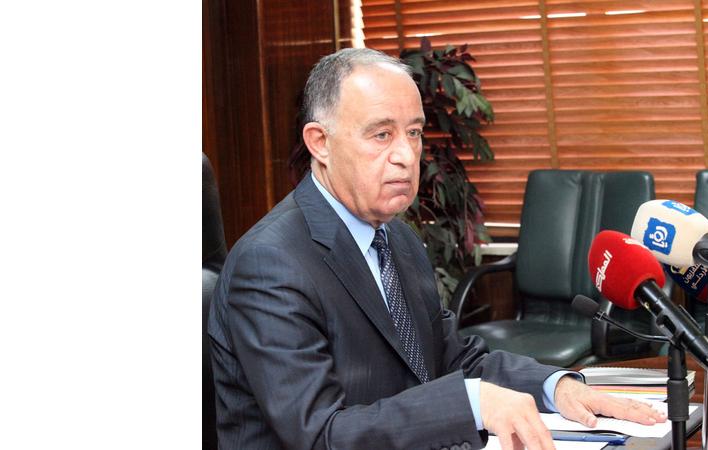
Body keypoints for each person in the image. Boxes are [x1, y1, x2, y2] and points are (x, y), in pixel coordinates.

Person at [208, 48, 666, 450]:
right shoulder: (271, 263)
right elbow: (322, 436)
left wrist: (555, 387)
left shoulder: (398, 238)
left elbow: (451, 357)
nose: (407, 156)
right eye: (381, 135)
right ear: (320, 143)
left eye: (414, 133)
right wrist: (472, 403)